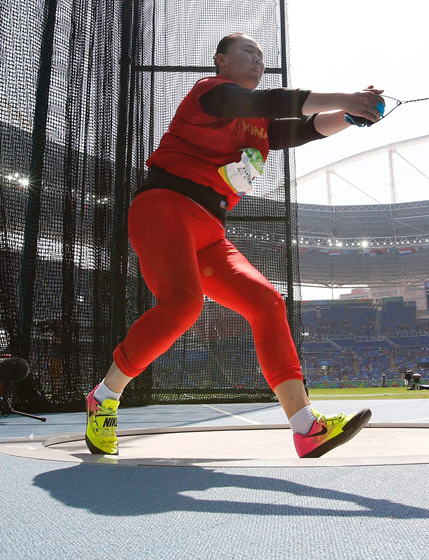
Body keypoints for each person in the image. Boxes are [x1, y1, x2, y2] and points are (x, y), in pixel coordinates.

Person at [85, 33, 384, 458]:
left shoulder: (257, 125)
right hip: (164, 206)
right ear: (221, 61)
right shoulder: (210, 94)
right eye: (249, 53)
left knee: (267, 302)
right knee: (183, 307)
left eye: (263, 57)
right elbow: (275, 103)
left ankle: (306, 428)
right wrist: (348, 99)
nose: (258, 61)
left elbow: (305, 129)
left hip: (210, 228)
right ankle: (104, 395)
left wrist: (352, 116)